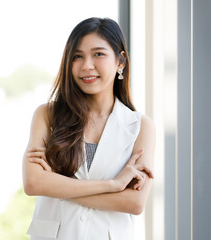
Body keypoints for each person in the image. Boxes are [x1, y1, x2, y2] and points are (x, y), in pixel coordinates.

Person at [22, 17, 155, 240]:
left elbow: (134, 202)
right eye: (77, 56)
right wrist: (113, 185)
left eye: (98, 54)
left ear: (120, 61)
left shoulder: (141, 127)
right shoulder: (47, 115)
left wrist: (57, 185)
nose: (86, 66)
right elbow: (34, 183)